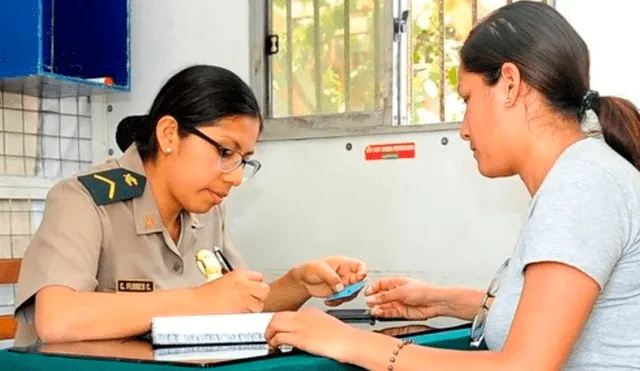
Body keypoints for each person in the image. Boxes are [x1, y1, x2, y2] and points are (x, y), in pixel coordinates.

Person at [264, 2, 640, 370]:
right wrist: (442, 300)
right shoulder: (586, 173)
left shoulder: (582, 184)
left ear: (509, 84)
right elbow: (556, 314)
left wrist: (348, 341)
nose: (463, 128)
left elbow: (524, 366)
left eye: (468, 99)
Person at [13, 65, 367, 346]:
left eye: (244, 159)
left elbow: (233, 303)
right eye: (226, 152)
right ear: (169, 135)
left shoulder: (207, 209)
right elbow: (58, 318)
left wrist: (299, 284)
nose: (236, 177)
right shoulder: (84, 200)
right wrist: (200, 301)